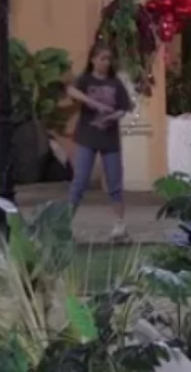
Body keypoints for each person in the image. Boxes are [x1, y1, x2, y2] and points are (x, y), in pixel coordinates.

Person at [67, 42, 132, 241]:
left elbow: (124, 108)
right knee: (80, 181)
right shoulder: (85, 79)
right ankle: (65, 223)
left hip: (109, 138)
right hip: (87, 136)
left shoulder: (115, 83)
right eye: (102, 58)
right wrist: (94, 103)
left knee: (115, 182)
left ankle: (120, 225)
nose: (105, 63)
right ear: (93, 59)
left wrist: (113, 116)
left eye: (108, 59)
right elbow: (71, 91)